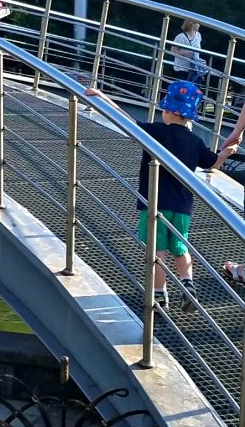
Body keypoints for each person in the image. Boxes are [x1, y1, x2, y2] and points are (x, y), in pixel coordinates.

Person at [85, 80, 238, 312]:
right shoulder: (196, 142)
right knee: (180, 248)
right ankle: (187, 284)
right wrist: (227, 151)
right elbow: (213, 162)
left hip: (155, 203)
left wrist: (102, 98)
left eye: (163, 109)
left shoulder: (156, 132)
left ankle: (160, 295)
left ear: (169, 111)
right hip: (183, 206)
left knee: (157, 251)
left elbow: (126, 120)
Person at [170, 18, 207, 85]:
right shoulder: (180, 37)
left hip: (195, 70)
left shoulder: (198, 35)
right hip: (182, 69)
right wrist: (185, 53)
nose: (199, 25)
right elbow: (173, 51)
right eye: (198, 23)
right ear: (191, 24)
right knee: (183, 91)